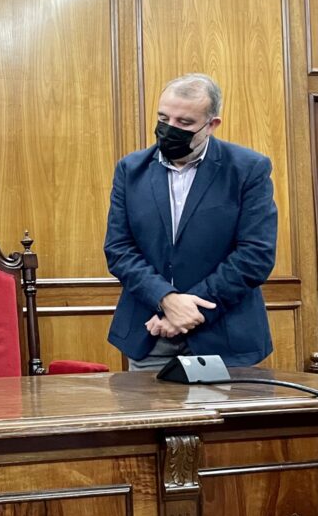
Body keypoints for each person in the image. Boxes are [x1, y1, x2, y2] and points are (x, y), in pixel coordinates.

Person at [104, 73, 277, 370]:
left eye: (184, 123)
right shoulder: (131, 170)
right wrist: (166, 300)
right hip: (151, 333)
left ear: (212, 125)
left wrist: (187, 310)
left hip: (225, 337)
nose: (169, 128)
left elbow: (255, 255)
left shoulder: (248, 169)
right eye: (163, 118)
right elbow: (119, 250)